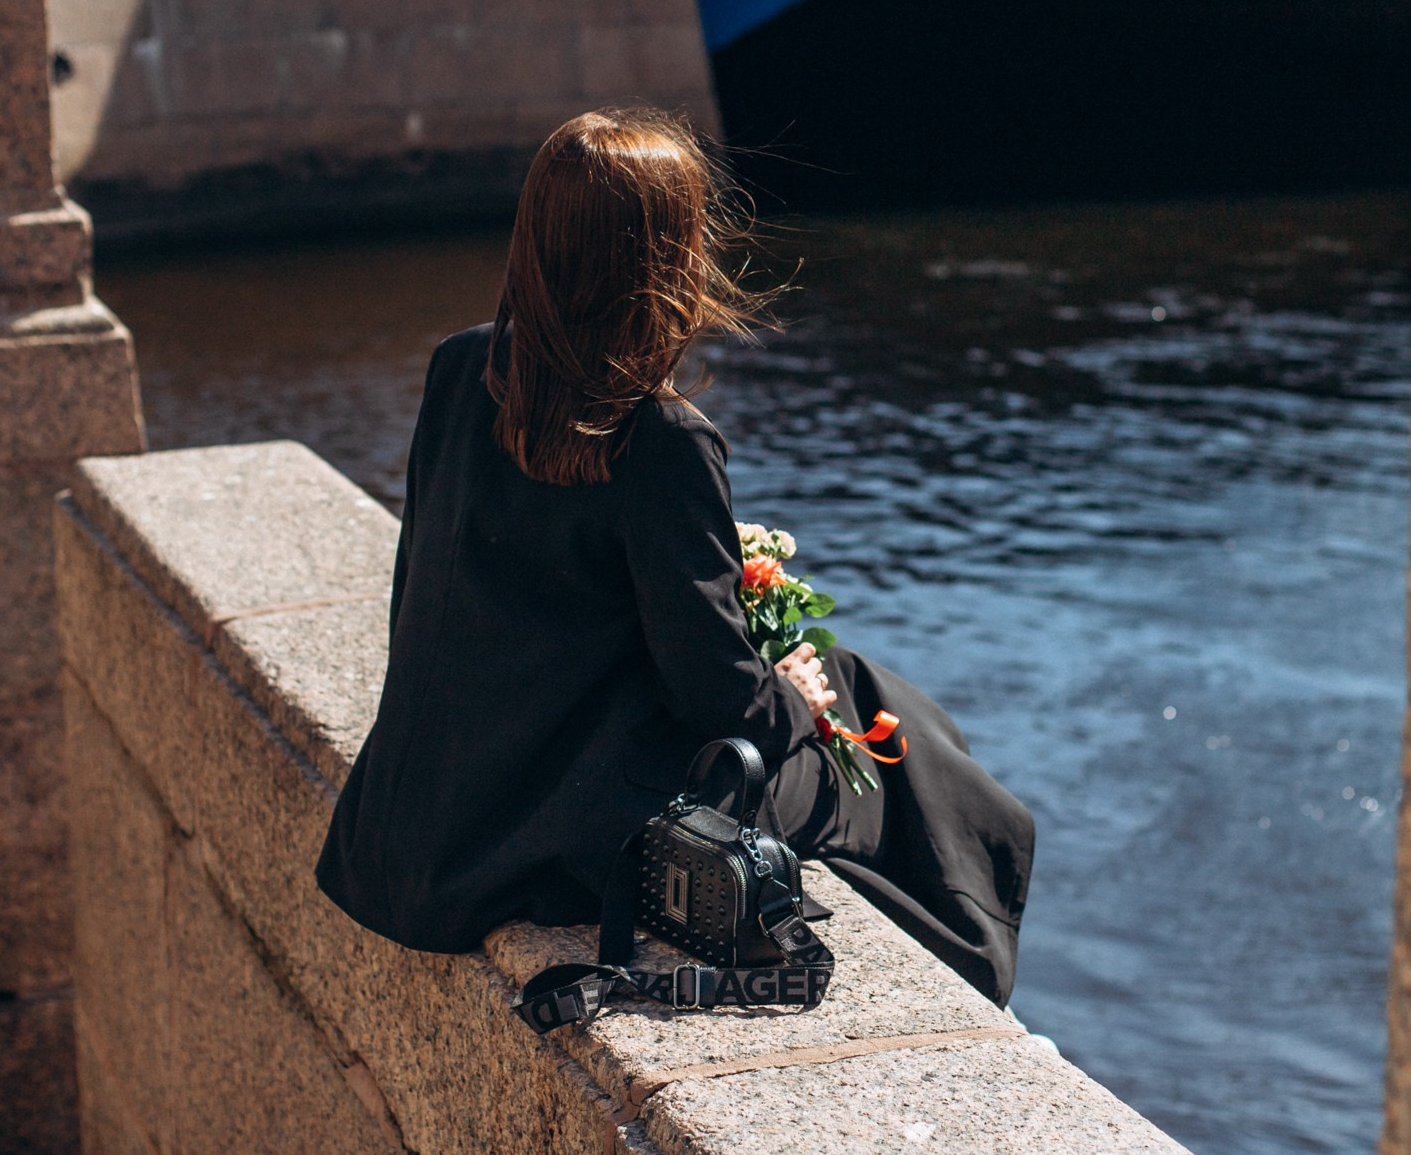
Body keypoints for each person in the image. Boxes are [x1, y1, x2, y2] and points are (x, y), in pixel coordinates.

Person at [315, 108, 1035, 1003]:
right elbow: (714, 690)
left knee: (850, 695)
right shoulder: (658, 439)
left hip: (418, 823)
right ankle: (971, 969)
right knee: (886, 736)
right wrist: (798, 706)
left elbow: (422, 589)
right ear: (670, 261)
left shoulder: (462, 371)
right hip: (550, 834)